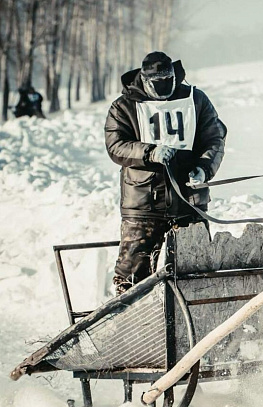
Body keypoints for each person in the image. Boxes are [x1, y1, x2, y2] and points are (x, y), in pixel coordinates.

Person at [105, 51, 226, 294]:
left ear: (174, 76)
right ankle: (131, 315)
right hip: (143, 205)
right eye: (156, 83)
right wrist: (148, 152)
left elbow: (214, 138)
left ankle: (191, 315)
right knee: (132, 278)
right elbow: (115, 145)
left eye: (167, 81)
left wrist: (204, 169)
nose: (163, 87)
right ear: (144, 79)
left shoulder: (195, 99)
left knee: (196, 273)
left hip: (189, 201)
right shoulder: (124, 106)